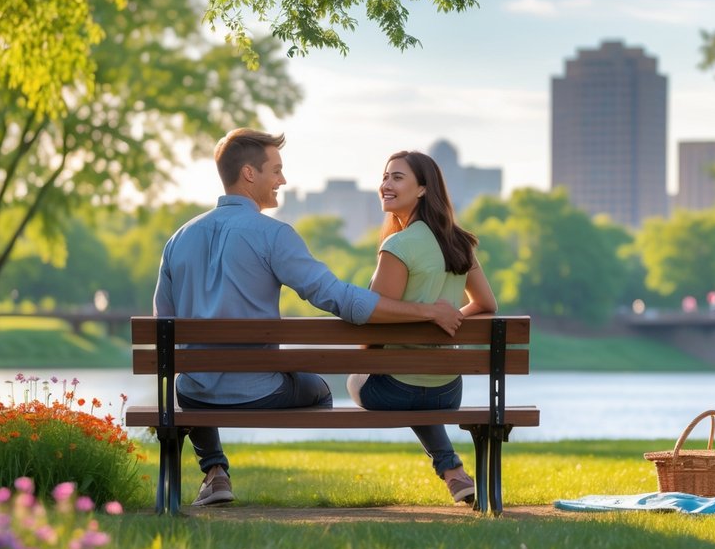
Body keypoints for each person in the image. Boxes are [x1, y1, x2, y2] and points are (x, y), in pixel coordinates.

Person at [154, 129, 463, 507]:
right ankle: (451, 468)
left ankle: (215, 471)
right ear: (249, 174)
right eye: (276, 170)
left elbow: (162, 324)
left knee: (194, 383)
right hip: (260, 394)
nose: (282, 180)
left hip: (193, 395)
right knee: (317, 387)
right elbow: (334, 296)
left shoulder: (178, 239)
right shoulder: (274, 235)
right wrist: (426, 311)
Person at [347, 150, 497, 505]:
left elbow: (375, 316)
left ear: (423, 189)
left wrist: (435, 313)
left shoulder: (398, 245)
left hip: (395, 389)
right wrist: (445, 315)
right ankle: (453, 472)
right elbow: (488, 305)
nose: (386, 184)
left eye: (397, 178)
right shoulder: (459, 242)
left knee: (356, 379)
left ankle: (453, 470)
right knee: (416, 387)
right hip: (448, 389)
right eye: (385, 177)